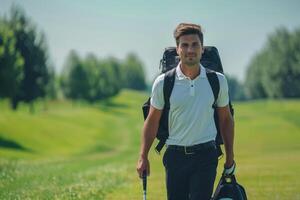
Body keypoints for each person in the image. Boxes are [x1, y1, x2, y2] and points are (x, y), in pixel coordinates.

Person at [136, 23, 235, 200]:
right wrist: (143, 156)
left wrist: (230, 156)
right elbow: (152, 121)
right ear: (177, 49)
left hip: (206, 155)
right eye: (185, 45)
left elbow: (226, 120)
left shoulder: (217, 81)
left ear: (202, 49)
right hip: (175, 157)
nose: (190, 49)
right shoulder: (163, 83)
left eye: (195, 44)